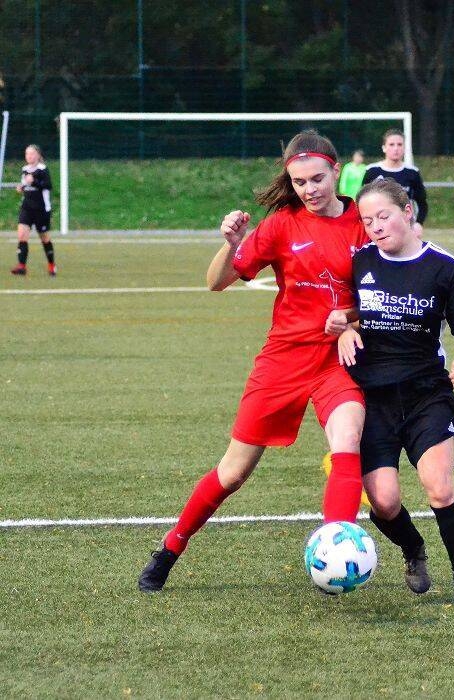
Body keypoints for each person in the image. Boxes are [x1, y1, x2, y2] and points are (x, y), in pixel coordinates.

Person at [138, 130, 369, 593]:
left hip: (337, 361)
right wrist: (232, 242)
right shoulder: (281, 224)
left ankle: (337, 550)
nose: (309, 189)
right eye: (299, 182)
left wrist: (351, 320)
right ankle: (170, 547)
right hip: (282, 361)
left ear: (336, 171)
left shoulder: (363, 224)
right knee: (233, 471)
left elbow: (385, 297)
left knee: (347, 443)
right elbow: (215, 282)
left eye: (317, 179)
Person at [325, 178, 454, 611]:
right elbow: (348, 312)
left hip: (426, 395)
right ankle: (413, 548)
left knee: (439, 488)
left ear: (407, 211)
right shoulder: (360, 261)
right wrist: (344, 329)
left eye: (383, 216)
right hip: (372, 399)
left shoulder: (443, 266)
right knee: (383, 501)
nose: (376, 227)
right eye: (367, 221)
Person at [362, 128, 427, 237]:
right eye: (391, 144)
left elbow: (422, 203)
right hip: (378, 228)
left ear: (404, 147)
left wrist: (419, 223)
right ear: (384, 147)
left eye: (399, 144)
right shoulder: (372, 171)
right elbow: (363, 202)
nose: (396, 148)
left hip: (405, 228)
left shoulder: (412, 172)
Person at [11, 144, 56, 276]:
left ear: (37, 155)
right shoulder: (24, 169)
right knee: (22, 235)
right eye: (27, 154)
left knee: (45, 238)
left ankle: (51, 265)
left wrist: (34, 181)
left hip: (41, 209)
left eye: (31, 154)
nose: (29, 156)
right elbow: (26, 185)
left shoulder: (43, 169)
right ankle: (21, 266)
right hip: (27, 207)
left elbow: (48, 185)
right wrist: (21, 187)